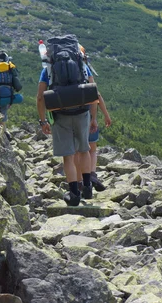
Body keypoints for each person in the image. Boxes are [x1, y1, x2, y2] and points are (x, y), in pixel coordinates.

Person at [37, 60, 98, 206]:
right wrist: (93, 118)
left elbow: (40, 97)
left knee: (68, 157)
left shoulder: (49, 70)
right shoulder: (82, 67)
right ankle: (88, 187)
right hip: (82, 113)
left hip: (60, 115)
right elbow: (94, 93)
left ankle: (74, 194)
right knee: (84, 150)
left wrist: (43, 121)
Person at [79, 45, 112, 192]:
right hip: (88, 115)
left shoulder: (57, 71)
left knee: (76, 151)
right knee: (91, 149)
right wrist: (102, 116)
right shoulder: (85, 69)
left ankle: (78, 180)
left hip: (68, 116)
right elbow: (96, 95)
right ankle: (92, 175)